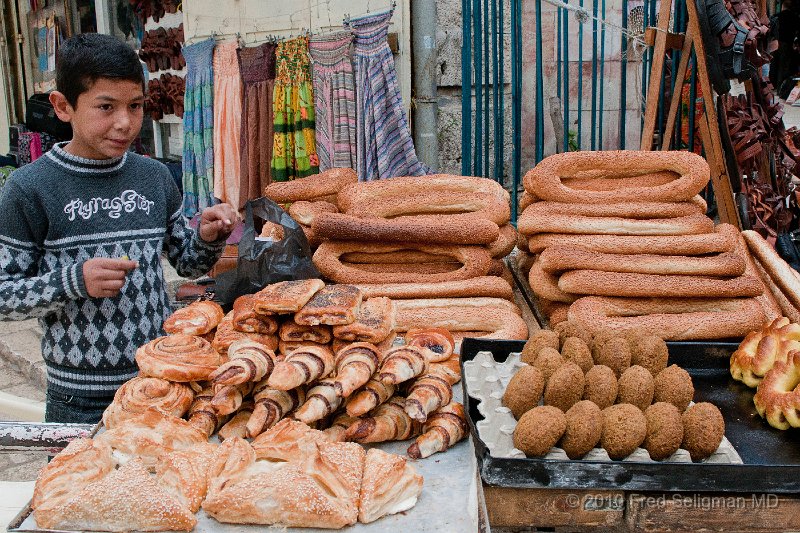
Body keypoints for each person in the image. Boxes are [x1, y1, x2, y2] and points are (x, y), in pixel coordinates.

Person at [0, 33, 238, 424]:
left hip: (161, 382)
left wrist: (207, 237)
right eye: (106, 107)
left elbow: (187, 262)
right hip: (81, 399)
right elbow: (5, 294)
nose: (124, 122)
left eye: (135, 106)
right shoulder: (30, 188)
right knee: (79, 485)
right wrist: (72, 281)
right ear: (63, 107)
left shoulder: (153, 176)